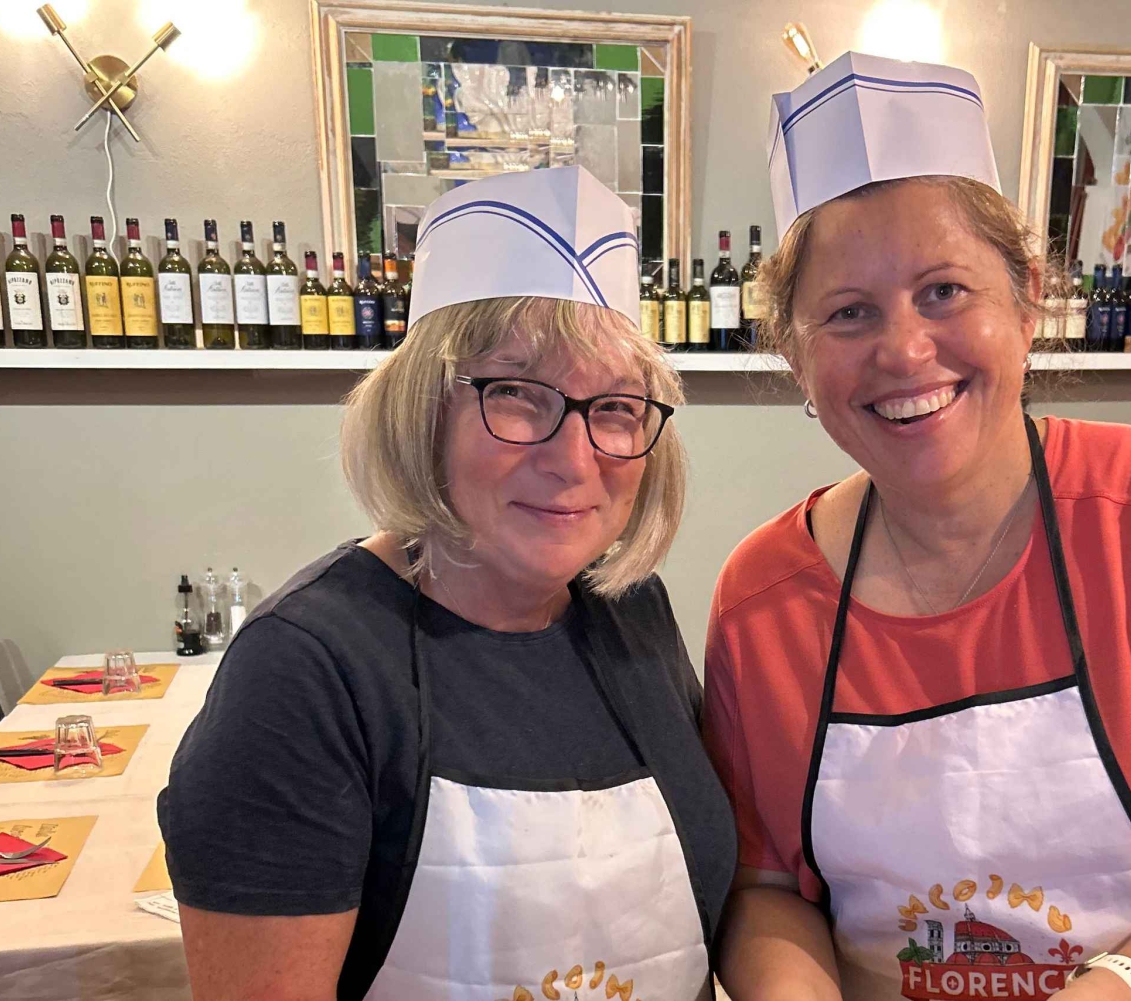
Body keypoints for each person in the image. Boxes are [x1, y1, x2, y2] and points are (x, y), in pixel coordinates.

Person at [704, 53, 1131, 1001]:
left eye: (944, 291)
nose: (905, 349)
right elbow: (767, 888)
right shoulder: (765, 597)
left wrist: (1119, 988)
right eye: (848, 313)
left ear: (1027, 299)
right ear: (795, 355)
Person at [159, 166, 734, 1001]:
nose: (573, 460)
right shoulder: (305, 674)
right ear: (422, 410)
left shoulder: (632, 610)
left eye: (616, 406)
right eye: (518, 394)